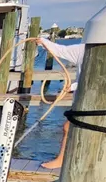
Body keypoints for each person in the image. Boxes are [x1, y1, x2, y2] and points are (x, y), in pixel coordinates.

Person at [36, 37, 85, 169]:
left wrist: (73, 87)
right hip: (82, 97)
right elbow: (61, 50)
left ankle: (62, 160)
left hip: (92, 98)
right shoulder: (83, 49)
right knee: (69, 127)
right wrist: (43, 42)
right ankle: (64, 159)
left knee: (69, 127)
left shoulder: (86, 49)